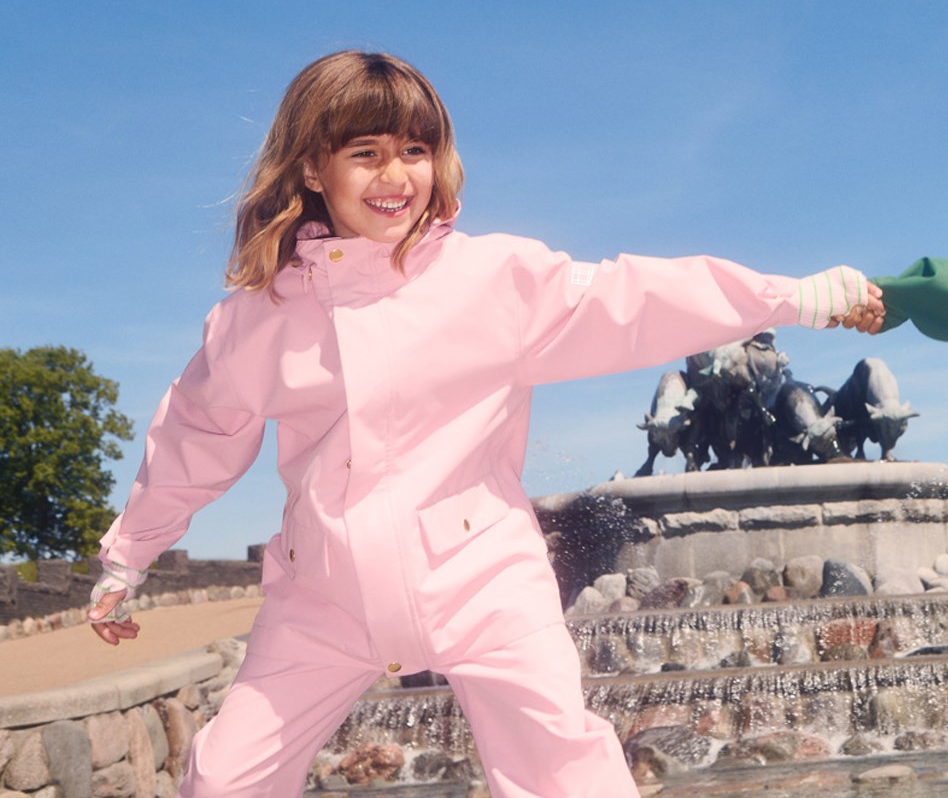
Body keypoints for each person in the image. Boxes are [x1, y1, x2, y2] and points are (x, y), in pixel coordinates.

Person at [88, 50, 885, 798]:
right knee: (224, 776)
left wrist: (793, 297)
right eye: (365, 153)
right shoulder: (255, 320)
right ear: (310, 167)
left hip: (485, 582)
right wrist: (129, 557)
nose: (396, 175)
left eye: (415, 150)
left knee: (560, 770)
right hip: (322, 598)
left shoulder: (492, 279)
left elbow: (634, 300)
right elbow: (194, 438)